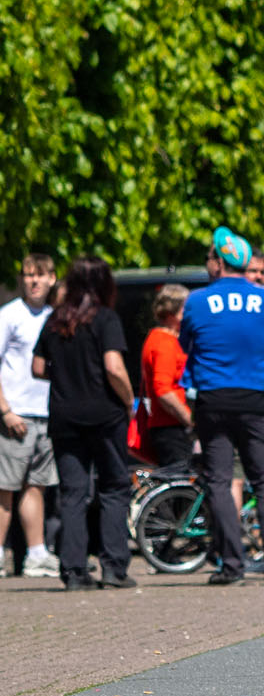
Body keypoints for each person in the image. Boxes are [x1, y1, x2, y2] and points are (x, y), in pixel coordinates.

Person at [180, 226, 264, 587]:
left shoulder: (198, 300)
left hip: (213, 398)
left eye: (210, 258)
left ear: (218, 261)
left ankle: (231, 565)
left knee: (218, 481)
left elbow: (187, 343)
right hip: (252, 398)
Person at [31, 257, 134, 590]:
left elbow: (37, 367)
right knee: (114, 488)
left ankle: (74, 571)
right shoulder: (105, 319)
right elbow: (114, 367)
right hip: (105, 416)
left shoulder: (55, 321)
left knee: (73, 493)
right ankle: (114, 567)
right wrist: (129, 399)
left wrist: (64, 374)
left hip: (64, 417)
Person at [0, 252, 59, 579]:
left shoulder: (54, 316)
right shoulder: (9, 316)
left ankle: (36, 555)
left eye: (40, 275)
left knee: (37, 486)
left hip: (46, 414)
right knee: (4, 488)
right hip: (16, 414)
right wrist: (5, 410)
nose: (33, 281)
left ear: (52, 278)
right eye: (28, 275)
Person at [138, 283, 192, 467]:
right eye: (187, 308)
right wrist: (189, 420)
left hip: (168, 425)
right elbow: (163, 389)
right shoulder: (164, 343)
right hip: (171, 426)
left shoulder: (163, 339)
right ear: (172, 312)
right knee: (181, 486)